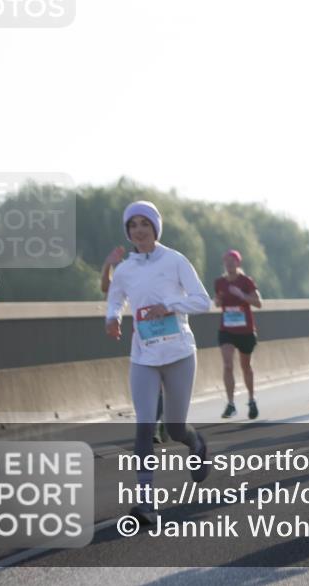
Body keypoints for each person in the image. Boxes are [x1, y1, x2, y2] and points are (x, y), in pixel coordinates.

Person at [105, 200, 212, 527]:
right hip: (144, 356)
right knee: (145, 426)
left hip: (179, 353)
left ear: (155, 228)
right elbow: (115, 298)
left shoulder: (175, 260)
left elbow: (203, 301)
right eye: (132, 225)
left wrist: (169, 306)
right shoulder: (125, 269)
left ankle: (196, 443)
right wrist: (112, 318)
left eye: (144, 224)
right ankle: (146, 503)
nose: (138, 230)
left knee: (175, 427)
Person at [102, 246, 167, 443]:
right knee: (152, 382)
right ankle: (154, 425)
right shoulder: (129, 272)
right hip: (143, 334)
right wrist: (108, 266)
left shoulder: (169, 266)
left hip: (170, 331)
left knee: (164, 381)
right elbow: (108, 289)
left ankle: (165, 419)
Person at [214, 249, 262, 419]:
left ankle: (251, 399)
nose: (229, 264)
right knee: (227, 365)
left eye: (232, 261)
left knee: (246, 367)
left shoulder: (246, 281)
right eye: (226, 261)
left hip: (245, 331)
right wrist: (218, 301)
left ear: (238, 263)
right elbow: (217, 301)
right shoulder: (219, 282)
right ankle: (230, 403)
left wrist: (241, 295)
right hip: (226, 329)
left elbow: (258, 303)